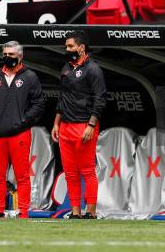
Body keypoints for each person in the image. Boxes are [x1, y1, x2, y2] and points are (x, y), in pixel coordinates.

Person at [0, 41, 45, 219]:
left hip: (20, 134)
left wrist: (24, 122)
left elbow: (39, 103)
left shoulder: (30, 77)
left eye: (11, 54)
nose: (7, 57)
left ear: (20, 56)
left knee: (22, 175)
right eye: (5, 54)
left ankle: (23, 211)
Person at [52, 31, 107, 219]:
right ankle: (75, 212)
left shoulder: (94, 69)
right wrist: (56, 124)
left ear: (81, 47)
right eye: (66, 47)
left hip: (84, 126)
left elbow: (100, 99)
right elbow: (62, 97)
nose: (67, 50)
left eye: (70, 46)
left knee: (87, 171)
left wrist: (91, 125)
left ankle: (90, 212)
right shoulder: (66, 68)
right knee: (70, 173)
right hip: (65, 127)